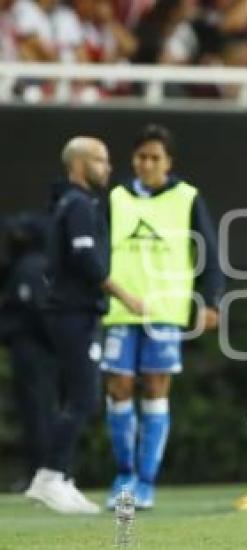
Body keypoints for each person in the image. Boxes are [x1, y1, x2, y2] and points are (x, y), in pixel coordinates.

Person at [100, 124, 224, 510]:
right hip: (120, 309)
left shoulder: (187, 198)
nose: (148, 164)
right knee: (118, 388)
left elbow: (209, 252)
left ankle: (147, 482)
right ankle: (124, 474)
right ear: (133, 160)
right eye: (141, 157)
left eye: (155, 158)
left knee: (155, 389)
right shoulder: (116, 197)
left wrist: (210, 301)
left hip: (165, 311)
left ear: (168, 162)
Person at [24, 137, 143, 515]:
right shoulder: (77, 204)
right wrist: (126, 297)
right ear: (77, 165)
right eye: (99, 160)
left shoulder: (79, 202)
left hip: (75, 311)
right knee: (85, 396)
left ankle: (63, 477)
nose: (108, 167)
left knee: (74, 397)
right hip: (73, 312)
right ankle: (49, 476)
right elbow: (87, 261)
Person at [0, 212, 54, 489]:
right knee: (33, 411)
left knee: (38, 412)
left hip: (34, 351)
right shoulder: (23, 265)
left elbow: (39, 313)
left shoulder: (32, 267)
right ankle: (39, 472)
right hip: (30, 350)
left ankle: (43, 474)